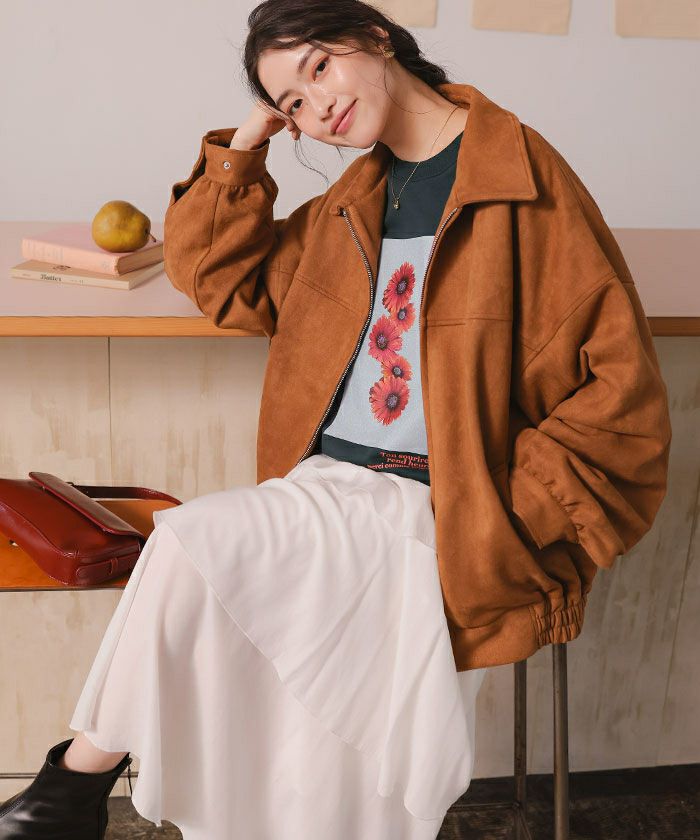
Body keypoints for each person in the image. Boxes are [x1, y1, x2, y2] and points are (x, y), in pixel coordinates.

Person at [0, 0, 672, 838]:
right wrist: (250, 137)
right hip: (326, 487)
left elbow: (622, 407)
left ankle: (67, 790)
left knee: (197, 563)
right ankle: (71, 792)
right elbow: (218, 277)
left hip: (437, 507)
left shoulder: (520, 180)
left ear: (375, 36)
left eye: (319, 67)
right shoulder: (354, 200)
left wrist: (499, 520)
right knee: (192, 557)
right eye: (292, 102)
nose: (317, 107)